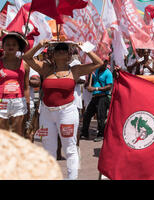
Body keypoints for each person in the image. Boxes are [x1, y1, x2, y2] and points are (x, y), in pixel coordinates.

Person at [23, 40, 103, 180]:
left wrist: (84, 48)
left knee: (70, 149)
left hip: (67, 113)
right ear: (52, 54)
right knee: (49, 150)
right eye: (58, 49)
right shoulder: (46, 68)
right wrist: (40, 45)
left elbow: (99, 63)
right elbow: (26, 58)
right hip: (46, 114)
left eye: (64, 49)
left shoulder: (75, 70)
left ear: (69, 54)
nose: (61, 50)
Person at [0, 31, 30, 137]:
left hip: (19, 102)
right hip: (1, 102)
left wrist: (28, 105)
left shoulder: (25, 64)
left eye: (14, 44)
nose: (10, 47)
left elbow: (26, 87)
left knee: (18, 136)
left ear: (18, 47)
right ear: (2, 46)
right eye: (7, 44)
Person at [80, 58, 113, 142]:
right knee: (87, 115)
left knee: (100, 117)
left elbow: (109, 86)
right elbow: (88, 84)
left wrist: (95, 88)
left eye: (104, 62)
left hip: (103, 97)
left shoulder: (108, 73)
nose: (102, 63)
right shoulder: (95, 71)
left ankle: (101, 134)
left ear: (106, 63)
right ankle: (84, 133)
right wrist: (88, 82)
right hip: (95, 97)